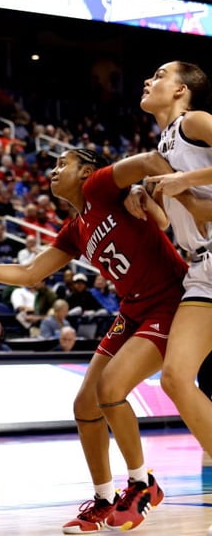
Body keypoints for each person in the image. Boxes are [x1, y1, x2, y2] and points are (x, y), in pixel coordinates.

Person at [0, 148, 185, 532]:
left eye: (61, 164)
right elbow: (30, 272)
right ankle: (104, 499)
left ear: (87, 171)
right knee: (85, 404)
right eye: (52, 165)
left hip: (170, 303)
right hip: (133, 309)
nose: (53, 170)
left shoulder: (103, 186)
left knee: (110, 387)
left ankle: (142, 483)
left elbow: (153, 159)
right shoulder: (75, 228)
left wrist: (156, 196)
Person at [125, 61, 212, 536]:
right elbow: (179, 220)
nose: (148, 79)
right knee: (177, 379)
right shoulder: (161, 147)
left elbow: (196, 197)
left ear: (181, 90)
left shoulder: (195, 122)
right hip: (201, 269)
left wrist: (180, 186)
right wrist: (153, 204)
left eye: (158, 74)